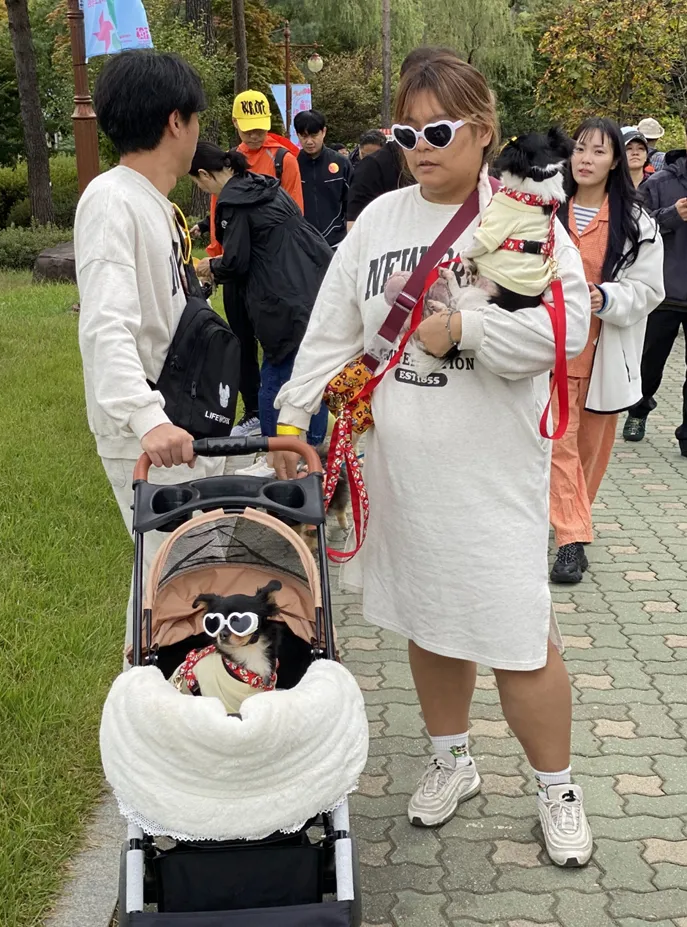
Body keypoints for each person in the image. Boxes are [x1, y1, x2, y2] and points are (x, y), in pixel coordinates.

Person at [271, 48, 597, 867]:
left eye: (440, 128)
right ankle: (451, 758)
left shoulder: (523, 217)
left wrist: (468, 330)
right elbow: (334, 324)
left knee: (518, 638)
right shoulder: (378, 220)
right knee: (427, 617)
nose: (421, 144)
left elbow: (568, 328)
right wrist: (289, 416)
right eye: (407, 129)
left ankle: (555, 785)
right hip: (403, 474)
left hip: (489, 477)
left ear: (481, 132)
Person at [75, 50, 225, 654]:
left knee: (181, 568)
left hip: (174, 418)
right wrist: (146, 419)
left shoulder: (151, 202)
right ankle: (156, 697)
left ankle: (174, 693)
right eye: (197, 120)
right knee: (178, 573)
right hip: (147, 430)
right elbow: (105, 325)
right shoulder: (113, 201)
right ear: (175, 122)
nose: (198, 133)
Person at [549, 118, 664, 583]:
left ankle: (573, 522)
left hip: (602, 355)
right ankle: (571, 540)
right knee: (559, 446)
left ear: (615, 160)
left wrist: (608, 297)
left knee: (591, 454)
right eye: (580, 149)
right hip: (550, 356)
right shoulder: (547, 211)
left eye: (598, 151)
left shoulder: (637, 222)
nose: (586, 159)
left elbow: (649, 289)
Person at [190, 143, 332, 477]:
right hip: (313, 281)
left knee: (275, 375)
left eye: (199, 184)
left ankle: (275, 458)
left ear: (204, 175)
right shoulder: (261, 184)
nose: (203, 189)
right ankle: (315, 454)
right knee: (313, 372)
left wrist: (208, 266)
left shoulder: (232, 202)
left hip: (279, 297)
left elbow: (237, 261)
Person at [623, 142, 687, 455]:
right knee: (650, 363)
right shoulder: (659, 183)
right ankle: (638, 408)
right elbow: (637, 229)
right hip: (667, 292)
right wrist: (672, 215)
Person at [346, 47, 453, 230]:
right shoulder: (374, 169)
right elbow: (358, 241)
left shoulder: (494, 193)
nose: (423, 145)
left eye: (440, 130)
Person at [294, 109, 353, 248]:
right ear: (297, 135)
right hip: (302, 244)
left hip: (336, 243)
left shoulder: (341, 163)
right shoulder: (292, 163)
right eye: (303, 136)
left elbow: (352, 203)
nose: (309, 141)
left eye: (314, 135)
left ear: (324, 132)